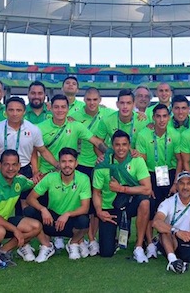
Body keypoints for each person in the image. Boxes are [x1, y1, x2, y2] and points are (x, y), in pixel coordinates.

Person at [92, 130, 153, 262]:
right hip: (110, 207)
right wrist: (99, 211)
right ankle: (114, 237)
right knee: (106, 252)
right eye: (117, 145)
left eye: (124, 144)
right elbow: (96, 192)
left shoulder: (137, 160)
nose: (121, 148)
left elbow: (147, 189)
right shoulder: (102, 164)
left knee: (145, 202)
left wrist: (122, 189)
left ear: (129, 145)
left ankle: (139, 247)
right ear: (112, 146)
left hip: (130, 203)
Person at [68, 87, 115, 256]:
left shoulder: (108, 114)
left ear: (100, 100)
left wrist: (143, 115)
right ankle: (79, 239)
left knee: (97, 203)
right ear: (84, 99)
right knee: (81, 202)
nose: (92, 103)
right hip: (80, 164)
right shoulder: (75, 114)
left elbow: (125, 114)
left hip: (100, 164)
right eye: (88, 99)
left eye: (95, 100)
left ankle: (92, 237)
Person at [25, 148, 92, 261]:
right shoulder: (50, 177)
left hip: (70, 220)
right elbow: (30, 198)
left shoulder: (83, 179)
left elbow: (85, 208)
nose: (67, 165)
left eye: (70, 161)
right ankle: (47, 245)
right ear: (59, 163)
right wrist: (43, 210)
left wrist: (67, 214)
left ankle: (74, 243)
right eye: (63, 161)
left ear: (76, 163)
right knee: (29, 211)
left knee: (84, 220)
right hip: (51, 220)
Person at [0, 97, 58, 202]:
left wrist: (57, 165)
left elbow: (42, 151)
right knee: (0, 204)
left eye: (18, 110)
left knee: (24, 204)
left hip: (24, 170)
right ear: (6, 111)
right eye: (11, 110)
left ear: (24, 112)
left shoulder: (33, 129)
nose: (14, 113)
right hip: (2, 170)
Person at [135, 103, 182, 258]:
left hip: (169, 173)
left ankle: (164, 240)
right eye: (158, 116)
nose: (161, 120)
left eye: (164, 116)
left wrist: (175, 183)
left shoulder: (175, 135)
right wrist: (147, 184)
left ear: (168, 117)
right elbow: (141, 162)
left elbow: (179, 160)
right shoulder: (143, 135)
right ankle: (149, 244)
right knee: (150, 206)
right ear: (153, 118)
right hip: (149, 174)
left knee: (167, 209)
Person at [36, 94, 107, 174]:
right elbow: (37, 151)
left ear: (68, 109)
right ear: (51, 108)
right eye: (56, 107)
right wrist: (35, 172)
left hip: (68, 172)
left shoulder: (76, 126)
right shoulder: (39, 128)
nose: (60, 110)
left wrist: (110, 154)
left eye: (63, 107)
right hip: (45, 173)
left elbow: (97, 142)